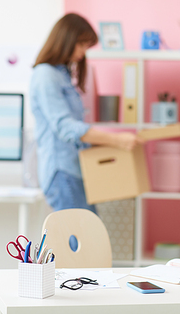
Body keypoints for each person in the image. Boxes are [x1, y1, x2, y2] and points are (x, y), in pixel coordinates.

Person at [30, 13, 144, 214]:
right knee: (80, 242)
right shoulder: (45, 75)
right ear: (66, 40)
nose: (83, 53)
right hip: (61, 172)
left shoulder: (62, 75)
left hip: (74, 169)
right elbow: (66, 127)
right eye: (81, 45)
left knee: (88, 237)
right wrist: (116, 140)